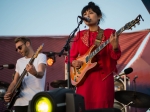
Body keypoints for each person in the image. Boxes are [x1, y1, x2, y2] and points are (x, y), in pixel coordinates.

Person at [69, 2, 121, 110]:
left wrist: (115, 47)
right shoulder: (79, 35)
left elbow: (115, 56)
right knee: (83, 107)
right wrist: (74, 62)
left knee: (103, 108)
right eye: (85, 14)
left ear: (99, 16)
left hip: (103, 79)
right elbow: (71, 56)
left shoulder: (109, 33)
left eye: (91, 13)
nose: (87, 15)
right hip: (83, 78)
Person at [4, 37, 47, 112]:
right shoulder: (19, 61)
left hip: (35, 100)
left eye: (20, 47)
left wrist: (35, 73)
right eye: (16, 49)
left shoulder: (40, 56)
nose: (18, 51)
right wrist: (8, 93)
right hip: (19, 102)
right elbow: (14, 82)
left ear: (27, 44)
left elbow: (41, 73)